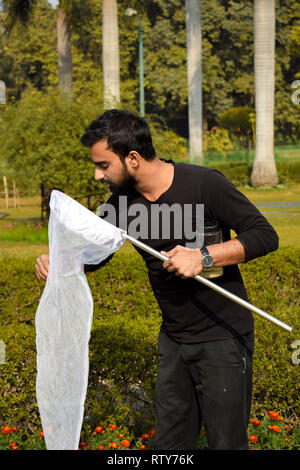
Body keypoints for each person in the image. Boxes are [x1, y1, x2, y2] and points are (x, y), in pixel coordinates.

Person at [35, 109, 279, 450]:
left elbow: (265, 235)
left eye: (103, 165)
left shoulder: (204, 183)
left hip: (223, 338)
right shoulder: (120, 204)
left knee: (227, 444)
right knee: (171, 446)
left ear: (132, 158)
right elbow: (94, 255)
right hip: (174, 342)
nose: (96, 175)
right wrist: (57, 261)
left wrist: (204, 256)